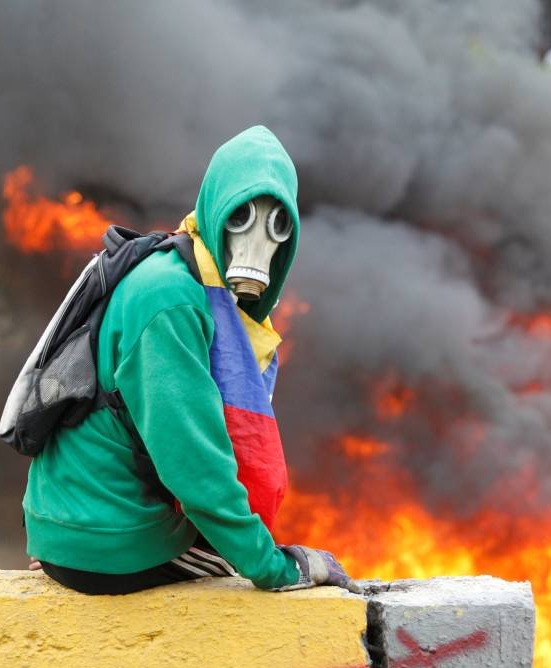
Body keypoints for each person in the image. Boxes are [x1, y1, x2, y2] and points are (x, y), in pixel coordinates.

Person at [22, 126, 359, 595]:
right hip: (103, 542)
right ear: (217, 209)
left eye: (277, 224)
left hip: (77, 526)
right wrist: (279, 569)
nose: (258, 240)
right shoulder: (173, 301)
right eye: (242, 217)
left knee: (225, 543)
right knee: (233, 567)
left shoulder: (175, 271)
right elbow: (195, 466)